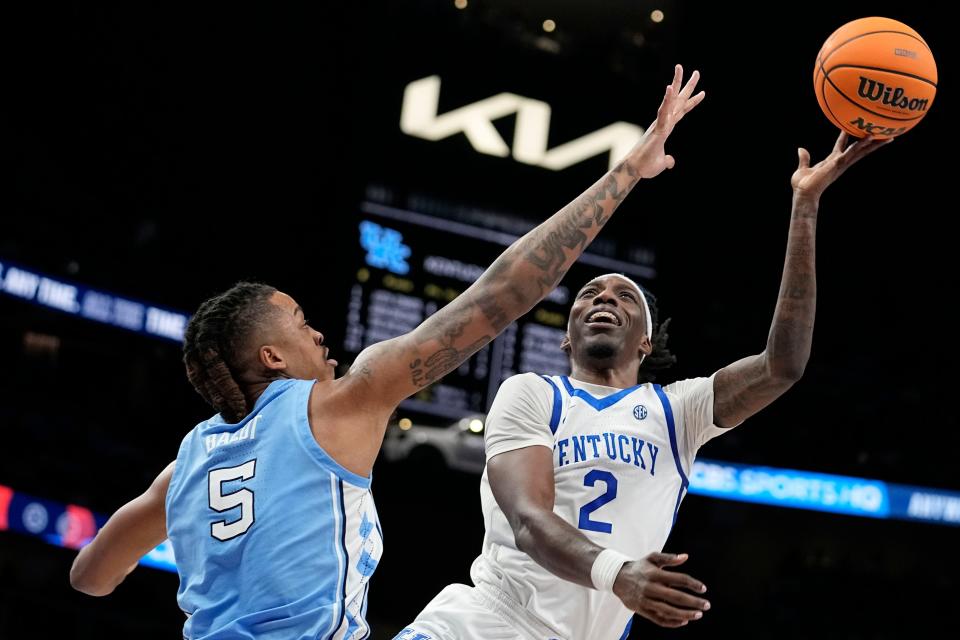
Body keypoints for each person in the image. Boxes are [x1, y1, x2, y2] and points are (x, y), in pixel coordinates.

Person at [67, 66, 706, 639]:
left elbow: (90, 577)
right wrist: (627, 171)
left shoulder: (185, 469)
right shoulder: (341, 402)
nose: (318, 335)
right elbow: (511, 289)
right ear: (271, 358)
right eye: (300, 323)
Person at [397, 130, 891, 640]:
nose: (602, 299)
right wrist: (619, 573)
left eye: (623, 296)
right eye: (588, 293)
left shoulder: (678, 411)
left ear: (646, 344)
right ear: (568, 338)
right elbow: (527, 519)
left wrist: (805, 207)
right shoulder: (532, 394)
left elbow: (782, 366)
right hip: (487, 622)